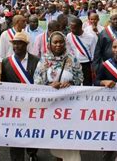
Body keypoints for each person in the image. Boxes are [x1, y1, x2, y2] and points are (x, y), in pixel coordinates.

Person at [34, 31, 83, 161]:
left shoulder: (72, 59)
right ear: (49, 44)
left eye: (61, 42)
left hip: (69, 105)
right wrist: (49, 84)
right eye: (55, 42)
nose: (58, 45)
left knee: (69, 136)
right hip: (52, 107)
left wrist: (71, 83)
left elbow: (80, 78)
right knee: (56, 137)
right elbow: (37, 80)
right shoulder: (44, 60)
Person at [1, 32, 39, 161]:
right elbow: (3, 83)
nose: (16, 46)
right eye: (14, 43)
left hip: (32, 104)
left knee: (31, 132)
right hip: (14, 105)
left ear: (26, 45)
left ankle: (32, 153)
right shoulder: (6, 62)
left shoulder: (36, 60)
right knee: (15, 134)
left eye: (19, 43)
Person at [66, 18, 97, 86]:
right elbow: (68, 50)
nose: (71, 30)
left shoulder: (91, 37)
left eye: (73, 28)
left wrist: (93, 66)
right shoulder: (69, 36)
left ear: (80, 27)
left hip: (87, 64)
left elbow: (94, 53)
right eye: (70, 28)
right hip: (74, 64)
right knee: (75, 83)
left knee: (87, 83)